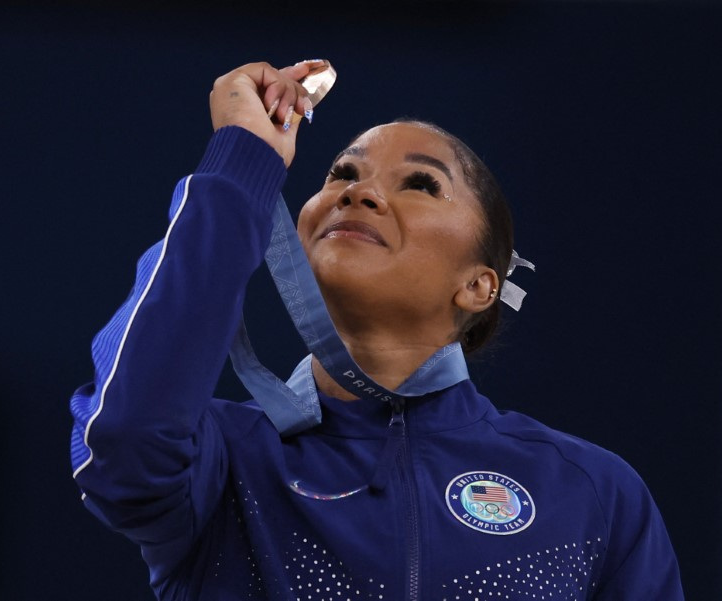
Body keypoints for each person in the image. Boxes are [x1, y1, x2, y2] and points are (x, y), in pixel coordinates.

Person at [69, 60, 684, 600]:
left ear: (479, 285)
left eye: (421, 183)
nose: (359, 193)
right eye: (340, 173)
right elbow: (122, 442)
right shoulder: (224, 460)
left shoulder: (592, 494)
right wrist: (241, 164)